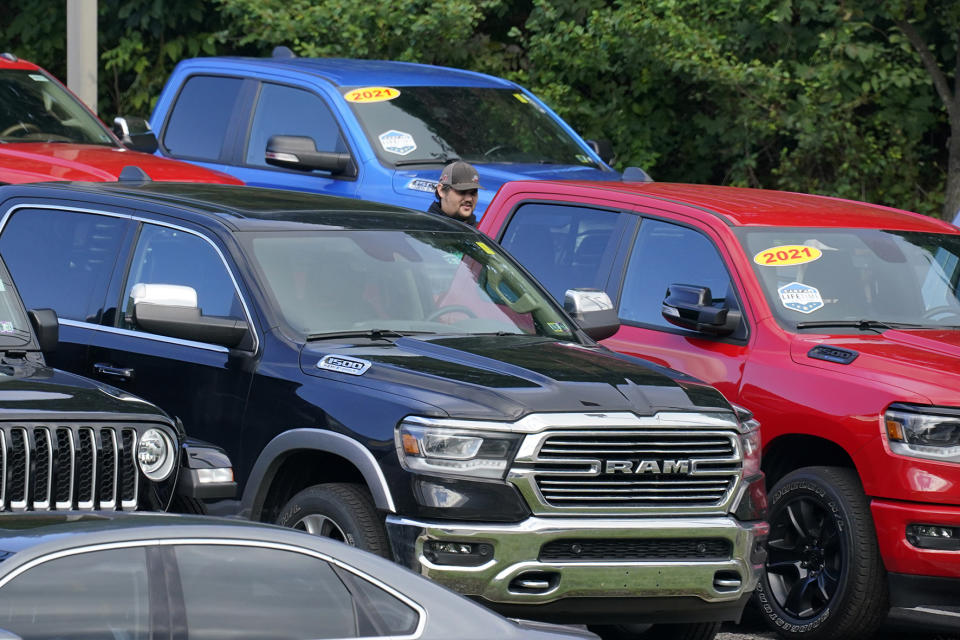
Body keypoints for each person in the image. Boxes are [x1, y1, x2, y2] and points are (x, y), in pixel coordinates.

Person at [427, 160, 482, 226]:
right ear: (441, 190)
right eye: (462, 192)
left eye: (473, 193)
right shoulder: (423, 230)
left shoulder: (483, 231)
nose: (469, 199)